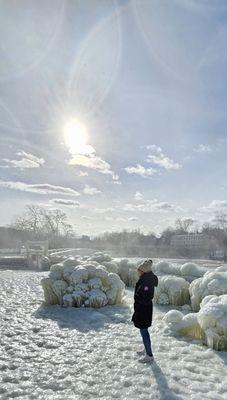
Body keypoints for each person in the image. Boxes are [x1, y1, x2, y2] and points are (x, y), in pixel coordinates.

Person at [132, 259, 158, 363]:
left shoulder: (147, 282)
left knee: (144, 331)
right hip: (143, 309)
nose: (137, 272)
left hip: (144, 310)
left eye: (139, 270)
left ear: (143, 271)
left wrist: (138, 298)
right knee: (143, 331)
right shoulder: (145, 279)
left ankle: (149, 355)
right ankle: (145, 349)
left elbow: (147, 297)